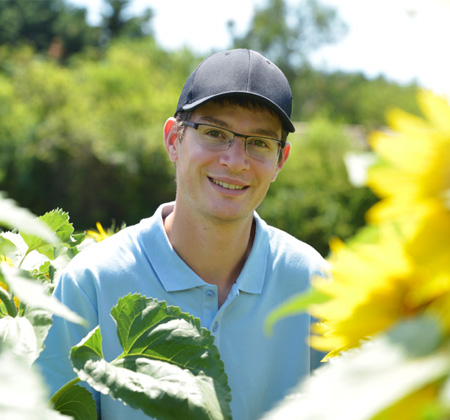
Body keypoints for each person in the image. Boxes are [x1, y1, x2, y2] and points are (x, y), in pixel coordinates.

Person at [35, 48, 328, 420]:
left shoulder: (311, 283)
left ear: (280, 161)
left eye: (259, 143)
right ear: (174, 140)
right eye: (214, 133)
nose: (235, 160)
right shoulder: (91, 283)